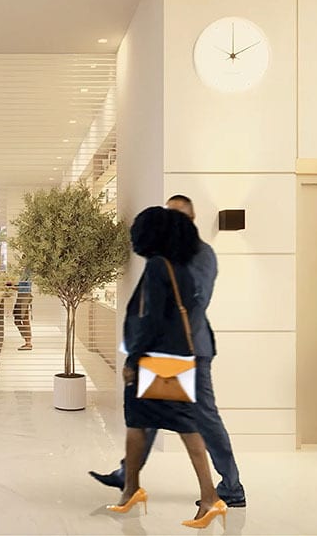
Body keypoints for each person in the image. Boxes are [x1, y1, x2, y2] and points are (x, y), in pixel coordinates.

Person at [90, 194, 246, 507]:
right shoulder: (163, 255)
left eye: (178, 216)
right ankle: (128, 476)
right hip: (162, 351)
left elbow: (192, 302)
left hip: (187, 350)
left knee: (200, 419)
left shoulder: (199, 254)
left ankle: (230, 486)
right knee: (146, 416)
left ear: (191, 219)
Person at [107, 206, 225, 528]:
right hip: (174, 358)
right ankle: (131, 489)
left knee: (181, 428)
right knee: (146, 425)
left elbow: (152, 318)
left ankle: (211, 498)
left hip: (155, 361)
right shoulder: (179, 269)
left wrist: (133, 358)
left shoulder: (159, 266)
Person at [13, 269, 33, 351]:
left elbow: (26, 288)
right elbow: (22, 287)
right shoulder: (24, 273)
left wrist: (13, 287)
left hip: (24, 297)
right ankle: (27, 340)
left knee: (24, 319)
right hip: (21, 297)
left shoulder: (28, 273)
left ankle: (28, 342)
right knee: (18, 319)